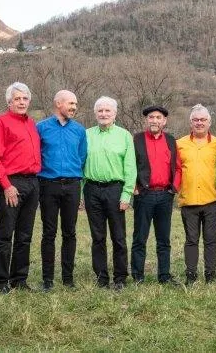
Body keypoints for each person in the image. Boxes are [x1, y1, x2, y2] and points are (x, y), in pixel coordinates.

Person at [0, 82, 41, 293]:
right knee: (5, 234)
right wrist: (6, 185)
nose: (21, 102)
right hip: (12, 183)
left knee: (25, 235)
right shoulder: (0, 122)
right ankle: (1, 281)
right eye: (17, 99)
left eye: (25, 99)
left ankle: (19, 279)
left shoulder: (32, 124)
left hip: (32, 182)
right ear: (9, 101)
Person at [83, 96, 136, 290]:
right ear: (95, 113)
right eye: (100, 110)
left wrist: (126, 194)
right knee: (98, 237)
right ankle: (101, 277)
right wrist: (81, 193)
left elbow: (130, 167)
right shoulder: (86, 135)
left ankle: (120, 277)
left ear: (115, 114)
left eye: (107, 111)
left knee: (118, 236)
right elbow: (80, 163)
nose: (104, 114)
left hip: (115, 190)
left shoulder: (124, 136)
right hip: (92, 189)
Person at [37, 90, 87, 291]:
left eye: (75, 104)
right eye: (70, 103)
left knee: (70, 232)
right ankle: (47, 280)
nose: (74, 107)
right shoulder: (41, 128)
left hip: (72, 185)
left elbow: (81, 157)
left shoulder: (79, 131)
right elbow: (36, 155)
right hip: (48, 184)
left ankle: (68, 278)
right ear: (58, 103)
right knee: (49, 233)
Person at [131, 105, 180, 285]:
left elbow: (178, 167)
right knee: (140, 238)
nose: (154, 120)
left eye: (158, 118)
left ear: (164, 121)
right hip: (144, 195)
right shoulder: (137, 139)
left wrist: (174, 188)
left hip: (165, 196)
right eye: (151, 117)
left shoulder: (171, 140)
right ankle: (138, 276)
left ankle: (164, 276)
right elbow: (130, 165)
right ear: (146, 120)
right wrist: (134, 187)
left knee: (164, 239)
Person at [176, 104, 216, 285]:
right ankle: (191, 275)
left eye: (203, 120)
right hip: (189, 200)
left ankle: (210, 274)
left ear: (209, 122)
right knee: (191, 240)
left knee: (211, 240)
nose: (199, 123)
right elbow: (175, 170)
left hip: (212, 199)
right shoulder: (180, 144)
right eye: (196, 120)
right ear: (190, 122)